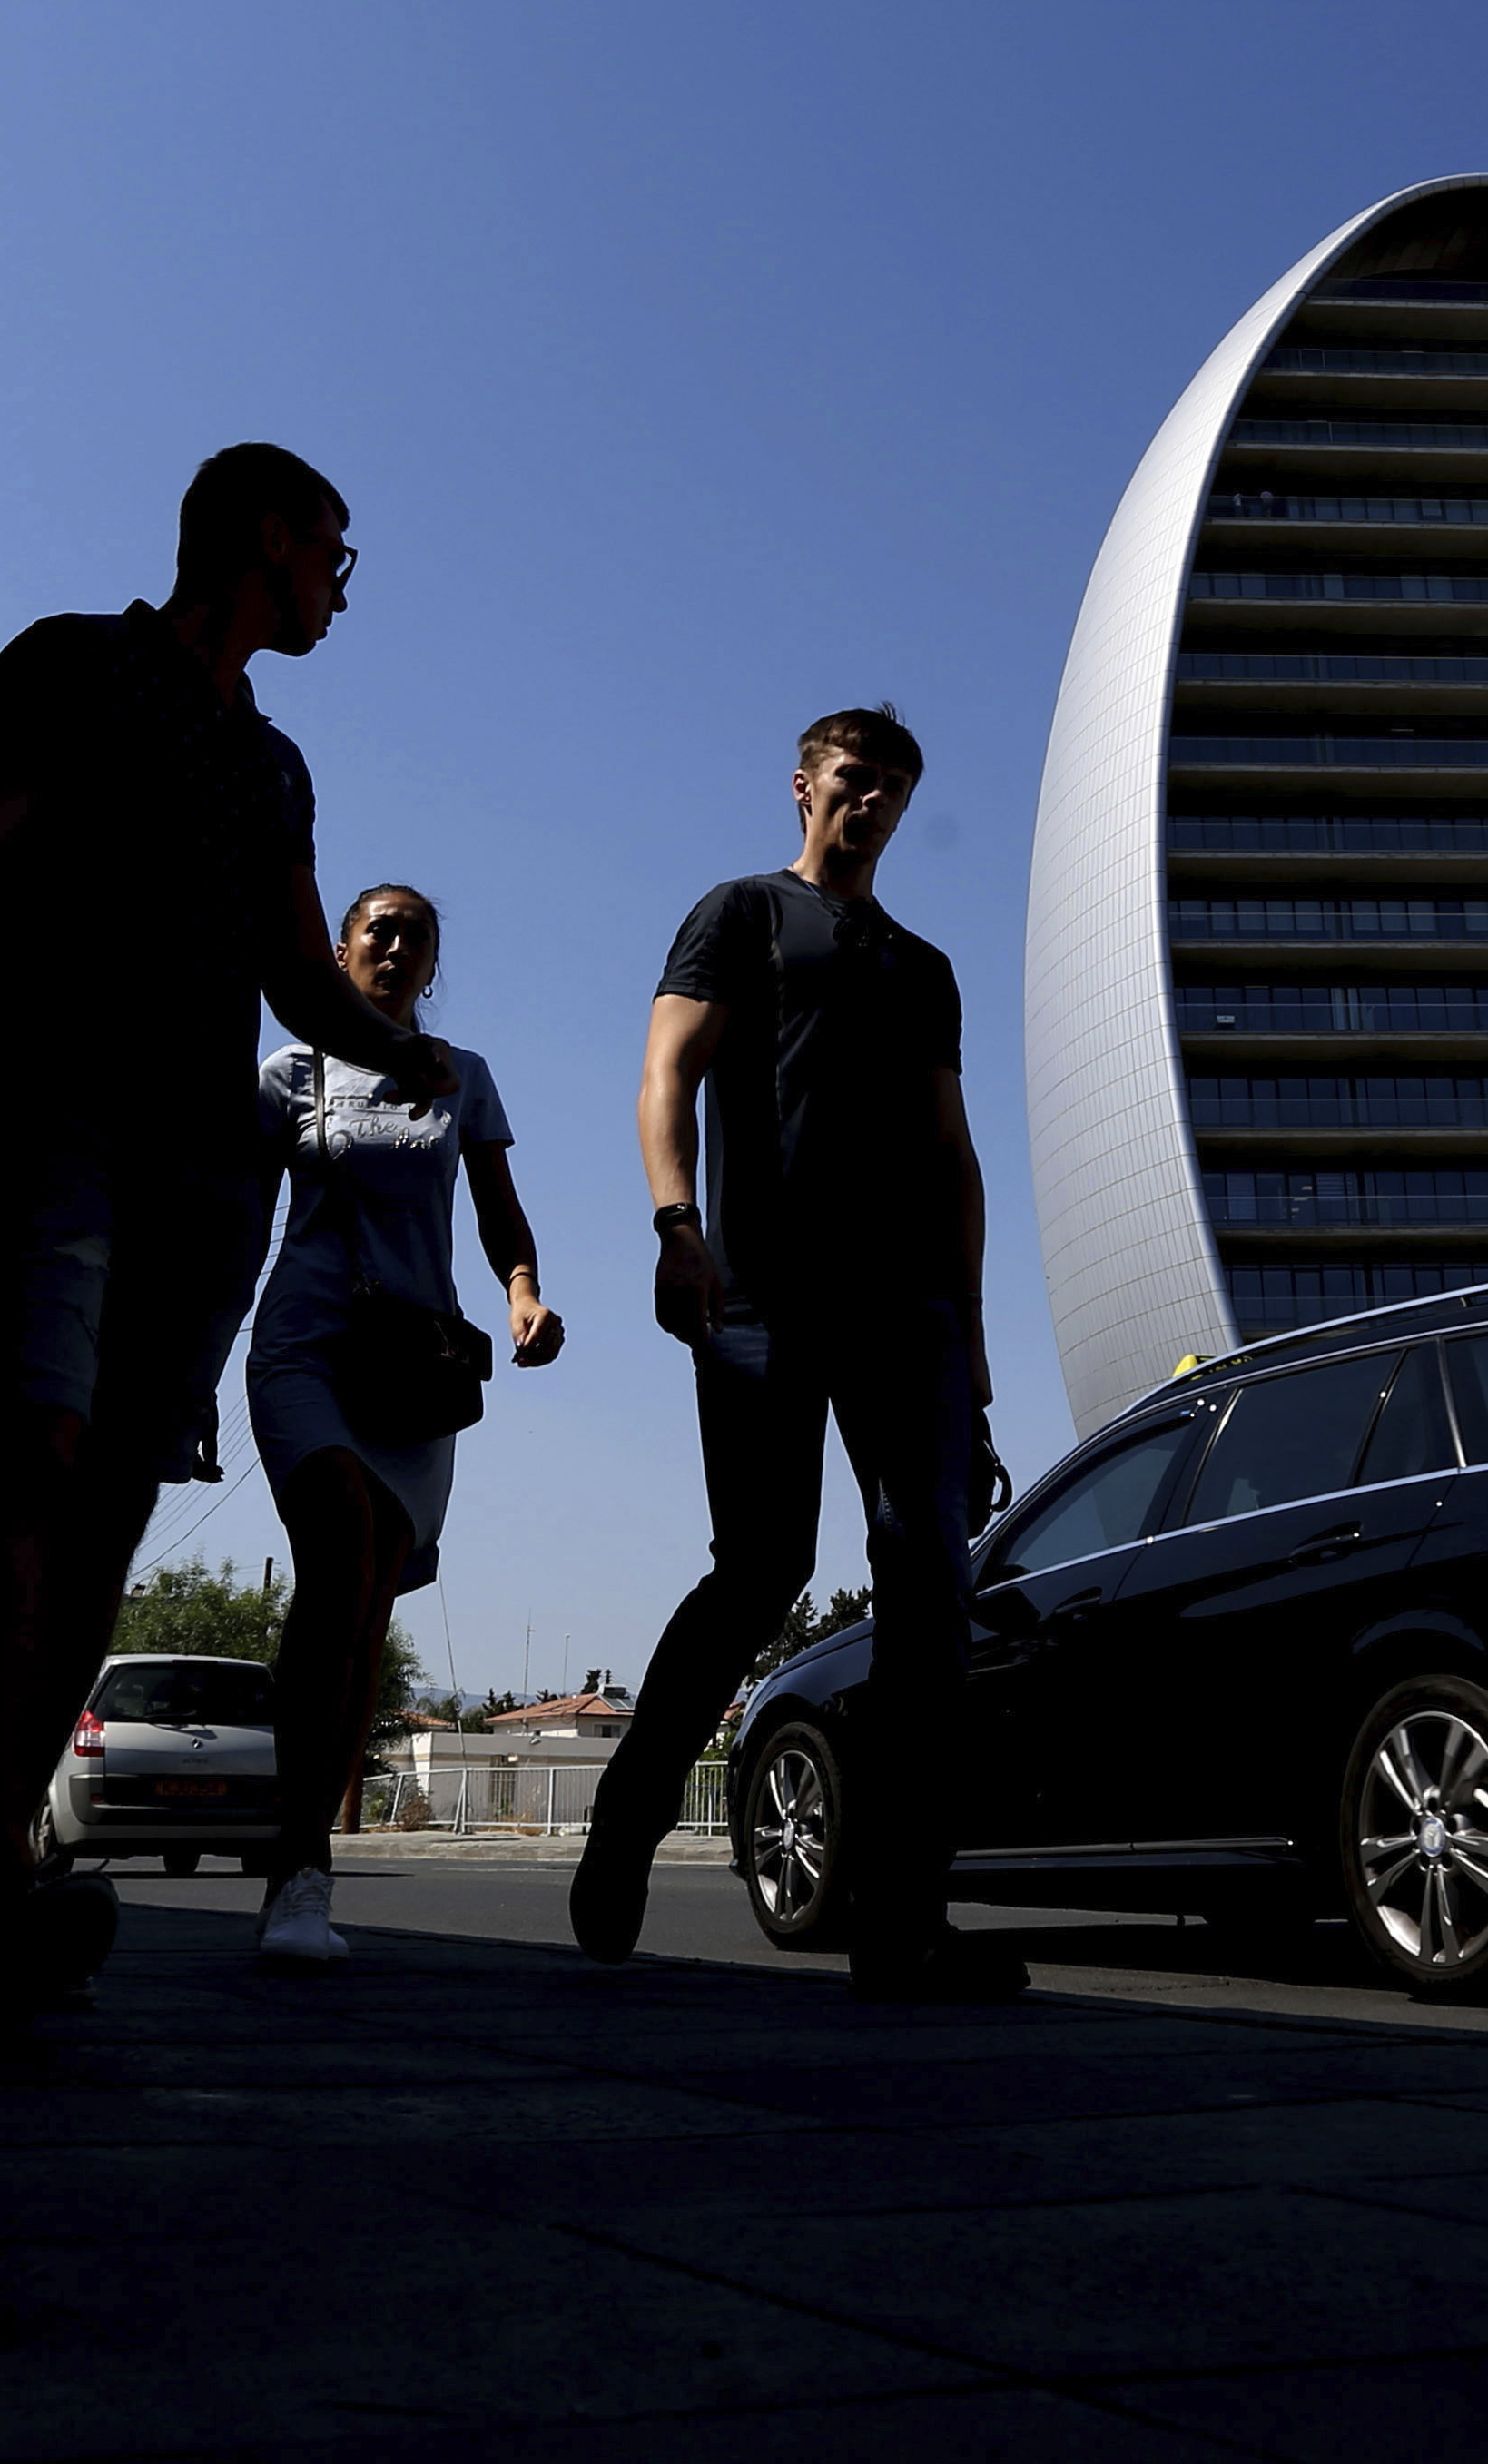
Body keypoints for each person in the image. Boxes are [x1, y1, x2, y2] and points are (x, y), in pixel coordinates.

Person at [0, 443, 451, 2009]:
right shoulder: (67, 668)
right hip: (50, 1123)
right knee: (27, 1452)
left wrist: (401, 1049)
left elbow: (294, 977)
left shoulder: (276, 768)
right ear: (267, 537)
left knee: (109, 1505)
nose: (339, 589)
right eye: (331, 556)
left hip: (202, 1181)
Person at [574, 707, 1023, 2003]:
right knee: (764, 1568)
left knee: (931, 1580)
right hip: (764, 1295)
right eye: (853, 778)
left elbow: (953, 1152)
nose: (873, 800)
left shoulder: (923, 967)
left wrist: (977, 1343)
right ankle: (634, 1806)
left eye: (894, 786)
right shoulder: (745, 914)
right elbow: (669, 1068)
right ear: (803, 787)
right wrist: (676, 1225)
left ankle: (903, 1920)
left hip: (912, 1317)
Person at [238, 885, 561, 1968]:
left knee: (364, 1600)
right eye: (378, 927)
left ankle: (307, 1853)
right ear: (337, 953)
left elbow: (496, 1205)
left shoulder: (461, 1076)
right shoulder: (293, 1072)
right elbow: (235, 1223)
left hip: (413, 1373)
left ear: (430, 966)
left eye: (417, 934)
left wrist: (520, 1288)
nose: (397, 943)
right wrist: (190, 1370)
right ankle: (294, 1870)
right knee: (337, 1545)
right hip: (307, 1344)